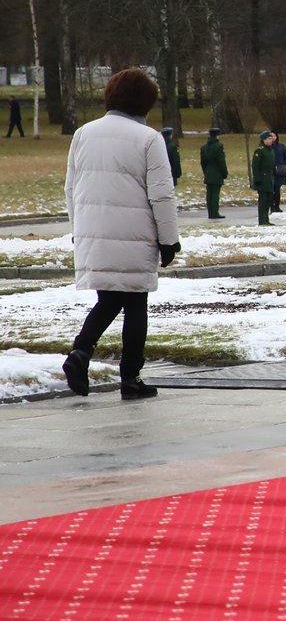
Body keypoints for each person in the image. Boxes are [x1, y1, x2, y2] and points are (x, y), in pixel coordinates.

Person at [61, 68, 180, 400]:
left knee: (109, 299)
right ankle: (130, 378)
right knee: (135, 305)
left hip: (93, 232)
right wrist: (169, 239)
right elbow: (161, 194)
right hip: (135, 235)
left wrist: (79, 230)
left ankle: (81, 353)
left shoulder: (83, 134)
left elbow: (71, 188)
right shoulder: (149, 139)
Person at [198, 128, 227, 220]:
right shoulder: (219, 146)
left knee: (209, 193)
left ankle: (210, 212)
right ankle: (215, 212)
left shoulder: (204, 147)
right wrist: (224, 173)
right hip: (217, 172)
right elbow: (221, 161)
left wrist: (205, 171)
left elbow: (202, 162)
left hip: (208, 171)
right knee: (215, 194)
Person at [251, 132, 277, 226]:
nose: (271, 140)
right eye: (269, 139)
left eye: (271, 139)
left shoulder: (270, 150)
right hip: (262, 178)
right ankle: (262, 220)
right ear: (264, 140)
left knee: (268, 199)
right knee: (263, 199)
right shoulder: (260, 150)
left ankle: (266, 219)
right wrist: (257, 178)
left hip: (269, 178)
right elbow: (255, 166)